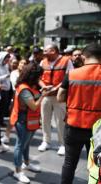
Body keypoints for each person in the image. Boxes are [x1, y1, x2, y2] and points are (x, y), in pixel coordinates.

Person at [57, 43, 101, 184]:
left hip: (73, 124)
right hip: (97, 129)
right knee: (96, 165)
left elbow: (60, 97)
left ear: (84, 56)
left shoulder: (72, 73)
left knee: (69, 163)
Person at [10, 63, 48, 183]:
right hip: (23, 120)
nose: (40, 78)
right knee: (20, 145)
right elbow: (33, 106)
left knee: (26, 144)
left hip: (30, 120)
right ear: (33, 76)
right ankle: (17, 171)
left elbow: (40, 85)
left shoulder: (29, 85)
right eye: (39, 76)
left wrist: (44, 88)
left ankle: (26, 163)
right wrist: (43, 95)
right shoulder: (24, 88)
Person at [38, 44, 74, 156]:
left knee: (60, 121)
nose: (44, 52)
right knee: (45, 119)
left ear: (53, 51)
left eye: (46, 50)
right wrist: (44, 86)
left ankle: (62, 144)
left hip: (60, 95)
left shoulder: (66, 61)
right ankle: (46, 141)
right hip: (45, 94)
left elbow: (69, 76)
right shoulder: (43, 62)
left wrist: (56, 88)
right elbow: (38, 77)